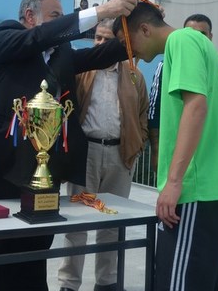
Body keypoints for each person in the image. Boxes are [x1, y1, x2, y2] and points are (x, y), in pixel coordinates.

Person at [0, 0, 137, 291]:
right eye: (57, 15)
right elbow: (37, 39)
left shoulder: (62, 53)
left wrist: (140, 37)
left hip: (37, 175)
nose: (63, 23)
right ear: (30, 17)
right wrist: (101, 11)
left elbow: (96, 55)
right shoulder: (7, 36)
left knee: (26, 257)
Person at [112, 2, 218, 290]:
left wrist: (173, 181)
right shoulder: (204, 48)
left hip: (196, 188)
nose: (129, 53)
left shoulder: (182, 40)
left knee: (176, 283)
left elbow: (196, 107)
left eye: (127, 43)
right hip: (216, 187)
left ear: (145, 29)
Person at [57, 19, 149, 291]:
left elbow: (142, 114)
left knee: (113, 222)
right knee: (77, 223)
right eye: (96, 38)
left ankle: (107, 282)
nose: (100, 44)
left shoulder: (135, 75)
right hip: (86, 154)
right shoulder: (81, 72)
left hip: (120, 156)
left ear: (119, 44)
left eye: (106, 39)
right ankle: (68, 283)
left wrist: (138, 141)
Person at [147, 13, 215, 172]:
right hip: (176, 153)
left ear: (210, 36)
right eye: (190, 34)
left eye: (202, 34)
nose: (195, 39)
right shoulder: (166, 66)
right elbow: (154, 110)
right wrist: (156, 150)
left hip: (210, 153)